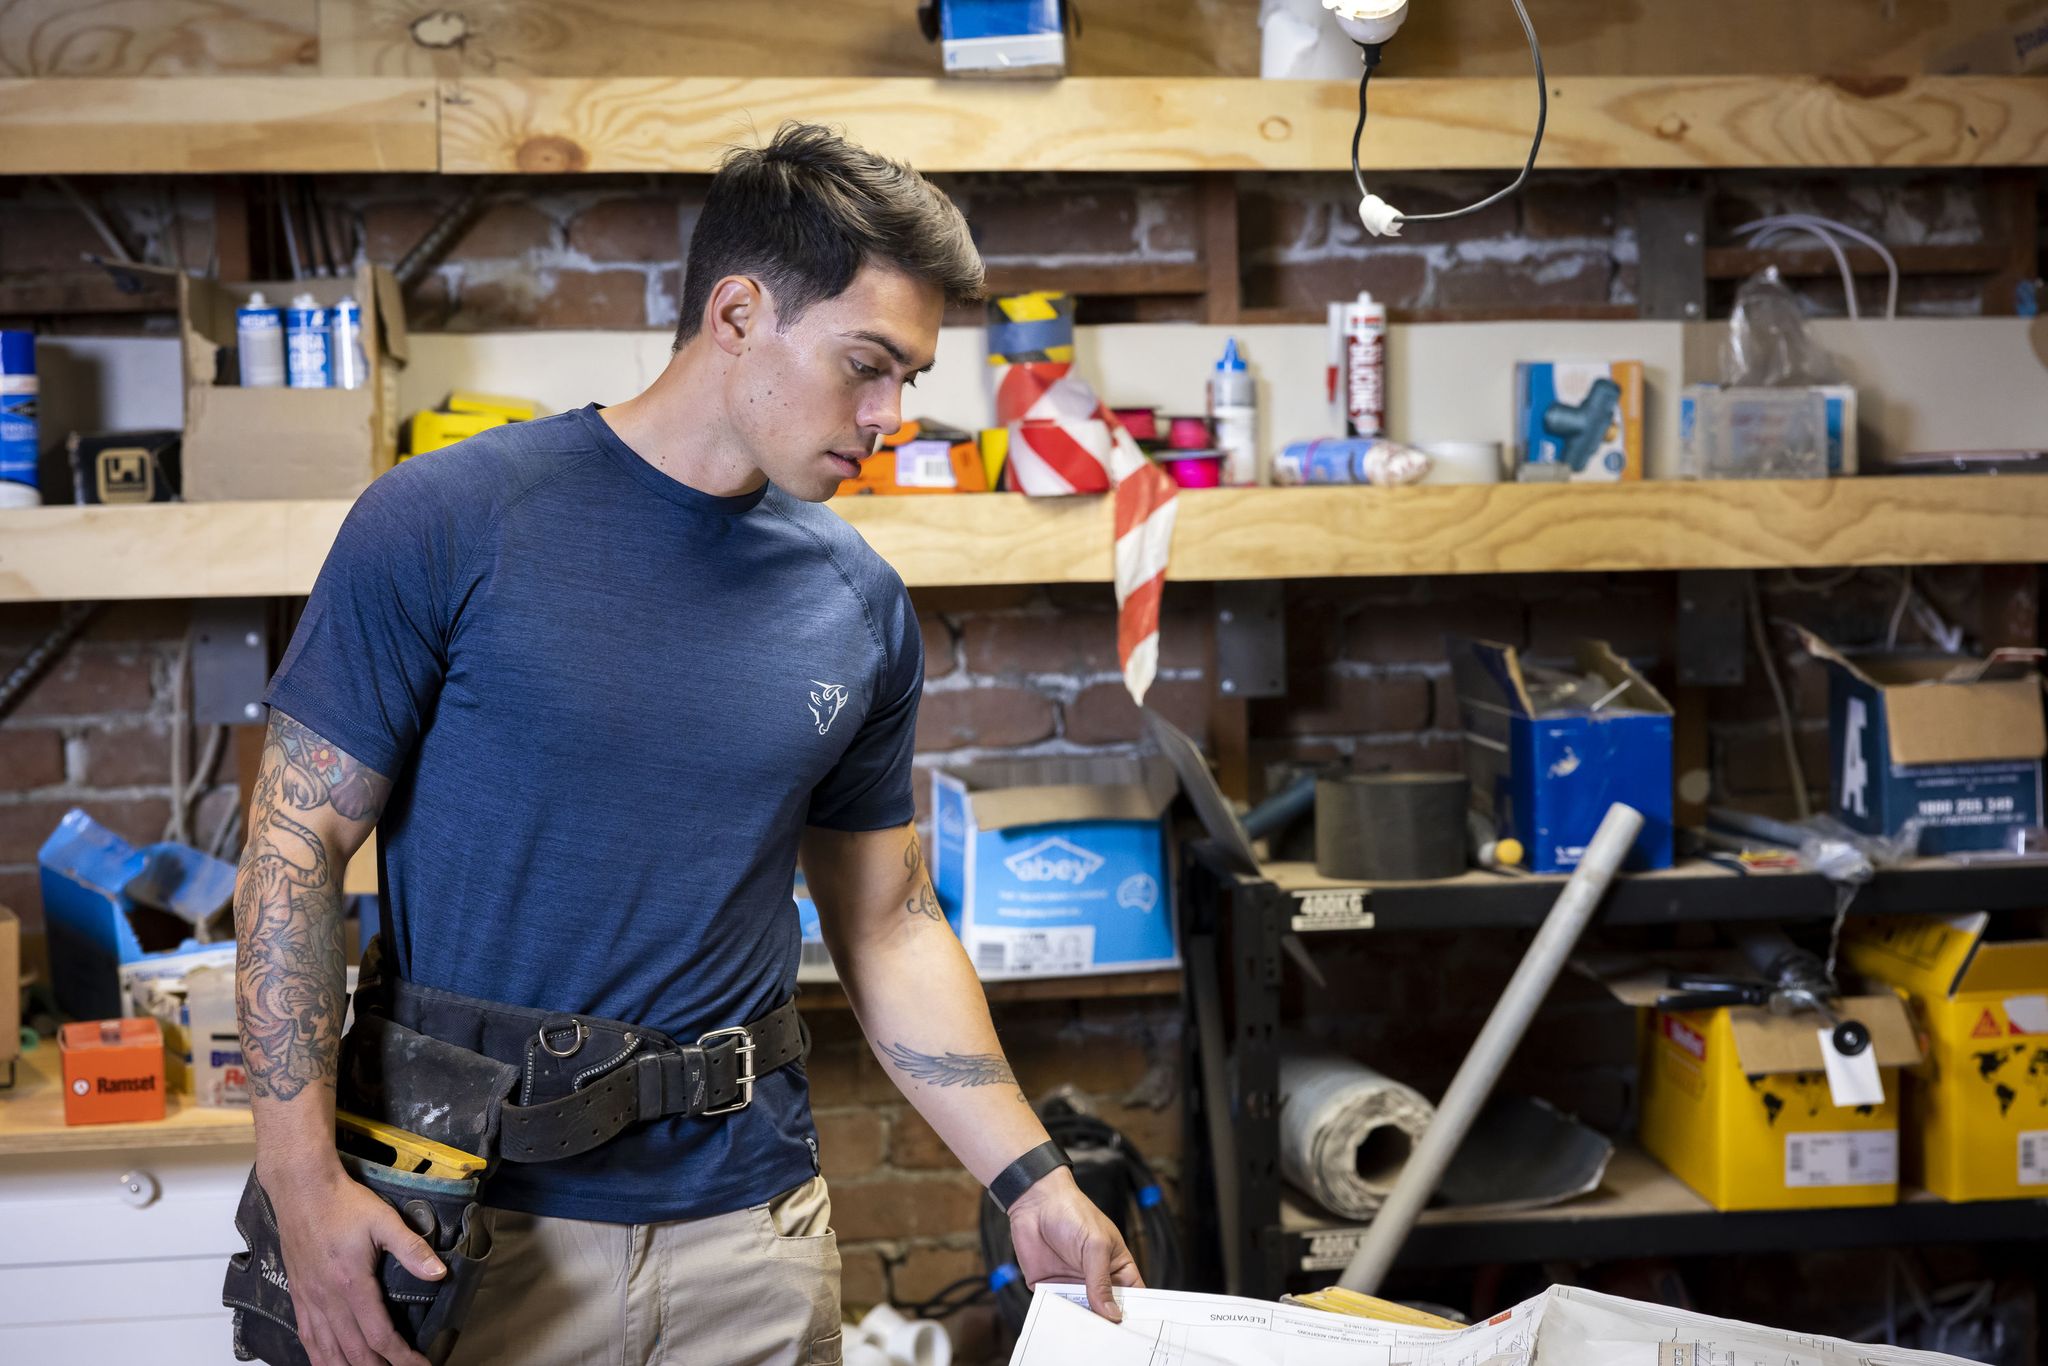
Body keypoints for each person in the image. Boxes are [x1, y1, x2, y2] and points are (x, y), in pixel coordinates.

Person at [232, 121, 1141, 1366]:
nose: (886, 417)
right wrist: (299, 1186)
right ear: (734, 313)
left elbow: (887, 922)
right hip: (472, 1227)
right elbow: (292, 849)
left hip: (749, 1237)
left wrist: (1031, 1178)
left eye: (907, 383)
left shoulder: (854, 598)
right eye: (864, 365)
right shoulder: (447, 520)